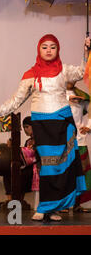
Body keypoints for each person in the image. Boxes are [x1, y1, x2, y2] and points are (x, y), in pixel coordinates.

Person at [0, 34, 89, 221]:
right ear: (39, 50)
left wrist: (87, 50)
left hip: (63, 123)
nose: (49, 50)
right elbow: (15, 101)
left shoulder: (64, 70)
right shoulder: (31, 74)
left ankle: (54, 208)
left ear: (58, 50)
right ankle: (45, 206)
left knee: (63, 166)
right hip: (42, 124)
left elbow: (83, 71)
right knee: (46, 166)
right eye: (45, 47)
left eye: (53, 47)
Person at [64, 81, 91, 212]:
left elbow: (90, 106)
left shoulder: (81, 95)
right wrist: (67, 99)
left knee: (82, 172)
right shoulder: (58, 95)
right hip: (63, 140)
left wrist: (89, 125)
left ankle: (78, 204)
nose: (71, 80)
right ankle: (63, 204)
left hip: (80, 140)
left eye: (74, 78)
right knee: (65, 172)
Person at [4, 116, 38, 206]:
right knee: (8, 171)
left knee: (20, 173)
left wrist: (16, 147)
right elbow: (22, 156)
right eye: (24, 128)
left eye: (27, 127)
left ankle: (19, 200)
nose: (25, 130)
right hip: (26, 166)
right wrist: (13, 148)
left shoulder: (40, 139)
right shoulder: (28, 141)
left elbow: (31, 154)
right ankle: (10, 200)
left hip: (36, 166)